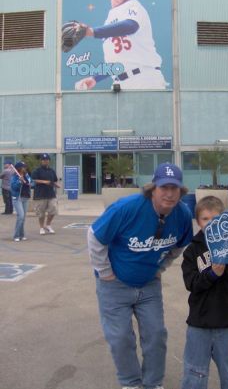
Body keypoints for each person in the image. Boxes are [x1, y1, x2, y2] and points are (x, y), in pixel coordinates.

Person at [87, 163, 193, 389]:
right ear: (153, 188)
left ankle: (153, 383)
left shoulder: (182, 214)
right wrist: (105, 272)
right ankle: (130, 382)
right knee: (121, 339)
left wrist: (160, 267)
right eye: (164, 187)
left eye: (175, 188)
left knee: (156, 335)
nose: (170, 193)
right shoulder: (127, 208)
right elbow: (95, 236)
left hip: (149, 285)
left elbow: (179, 245)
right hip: (114, 285)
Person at [181, 195, 228, 389]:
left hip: (227, 321)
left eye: (215, 219)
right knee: (195, 373)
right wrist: (212, 274)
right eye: (205, 219)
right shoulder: (192, 250)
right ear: (198, 221)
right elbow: (191, 283)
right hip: (199, 323)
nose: (210, 224)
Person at [72, 0, 167, 90]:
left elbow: (130, 26)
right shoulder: (109, 19)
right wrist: (94, 79)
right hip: (121, 83)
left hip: (144, 78)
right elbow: (115, 62)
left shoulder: (134, 6)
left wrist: (92, 32)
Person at [31, 153, 59, 235]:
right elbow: (33, 180)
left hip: (51, 194)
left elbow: (53, 180)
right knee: (41, 213)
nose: (45, 161)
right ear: (41, 161)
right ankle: (41, 227)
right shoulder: (37, 170)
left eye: (47, 160)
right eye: (43, 160)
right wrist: (44, 181)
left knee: (53, 210)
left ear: (49, 161)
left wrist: (55, 185)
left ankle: (48, 225)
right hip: (40, 194)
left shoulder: (51, 170)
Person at [10, 161, 32, 242]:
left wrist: (29, 183)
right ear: (19, 168)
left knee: (23, 218)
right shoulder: (14, 177)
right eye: (23, 167)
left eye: (25, 167)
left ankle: (22, 235)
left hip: (26, 197)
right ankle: (16, 235)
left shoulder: (26, 175)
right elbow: (14, 188)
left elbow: (31, 183)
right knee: (21, 216)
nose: (25, 168)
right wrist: (19, 181)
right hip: (17, 198)